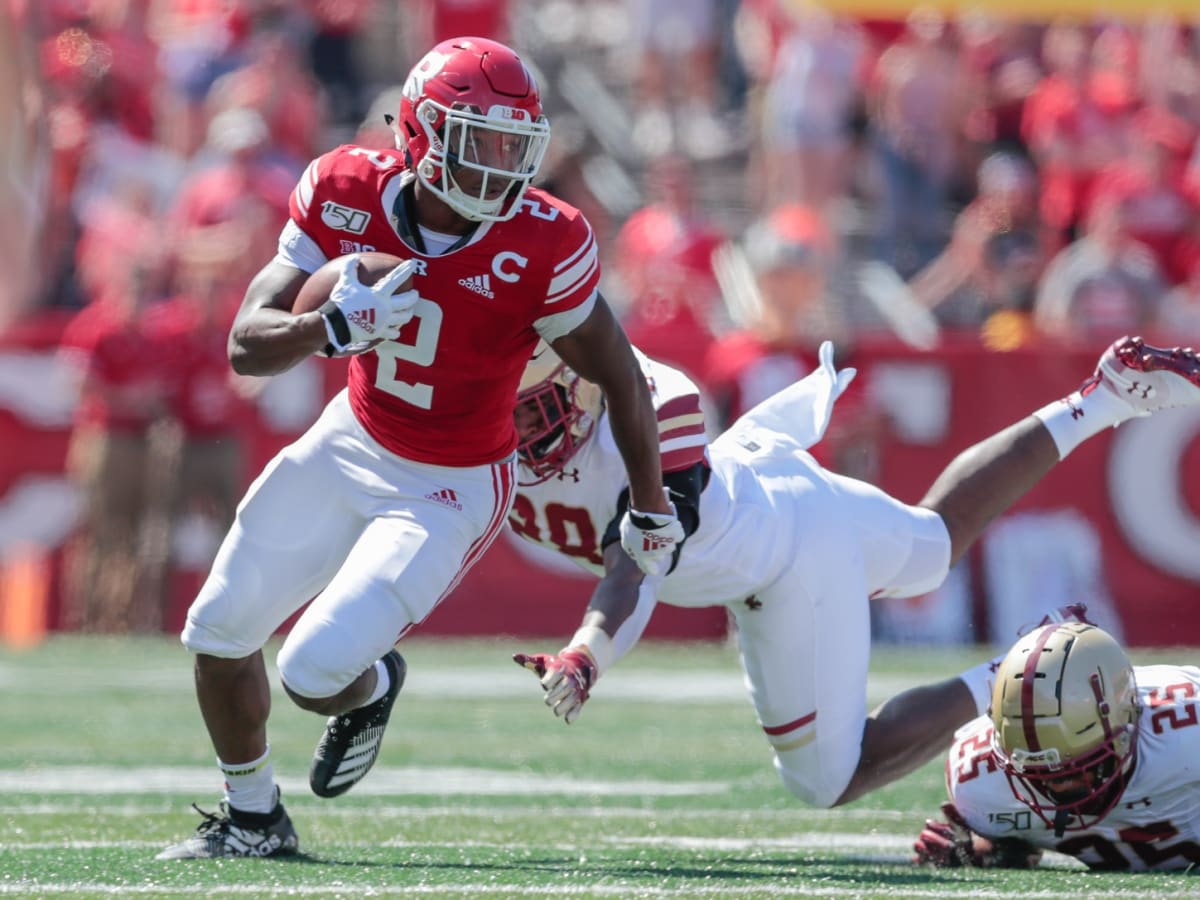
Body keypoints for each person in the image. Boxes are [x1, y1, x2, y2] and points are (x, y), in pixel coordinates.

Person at [157, 36, 680, 860]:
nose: (500, 167)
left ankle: (370, 685)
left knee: (311, 672)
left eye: (517, 146)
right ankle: (253, 816)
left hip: (452, 482)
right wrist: (323, 327)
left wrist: (649, 506)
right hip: (353, 438)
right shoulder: (342, 189)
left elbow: (621, 376)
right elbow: (245, 345)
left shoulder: (543, 239)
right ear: (418, 131)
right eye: (481, 140)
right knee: (216, 631)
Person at [509, 333, 1200, 811]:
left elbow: (634, 566)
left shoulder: (656, 404)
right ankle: (1103, 396)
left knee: (826, 781)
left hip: (785, 558)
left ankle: (1008, 675)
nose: (525, 440)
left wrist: (585, 655)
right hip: (766, 480)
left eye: (539, 414)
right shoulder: (468, 439)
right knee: (932, 545)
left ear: (587, 381)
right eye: (507, 415)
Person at [914, 621, 1200, 871]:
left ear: (1125, 725)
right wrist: (989, 847)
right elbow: (1002, 840)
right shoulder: (978, 781)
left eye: (1078, 768)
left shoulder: (1189, 725)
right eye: (1035, 775)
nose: (1060, 790)